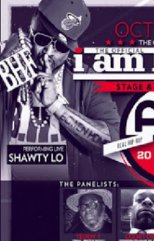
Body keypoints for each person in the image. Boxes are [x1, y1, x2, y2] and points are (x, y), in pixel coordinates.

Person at [0, 0, 120, 180]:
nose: (48, 53)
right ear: (30, 29)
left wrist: (56, 106)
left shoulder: (86, 79)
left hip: (65, 194)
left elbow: (113, 143)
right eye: (42, 39)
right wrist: (3, 69)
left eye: (60, 47)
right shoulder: (4, 62)